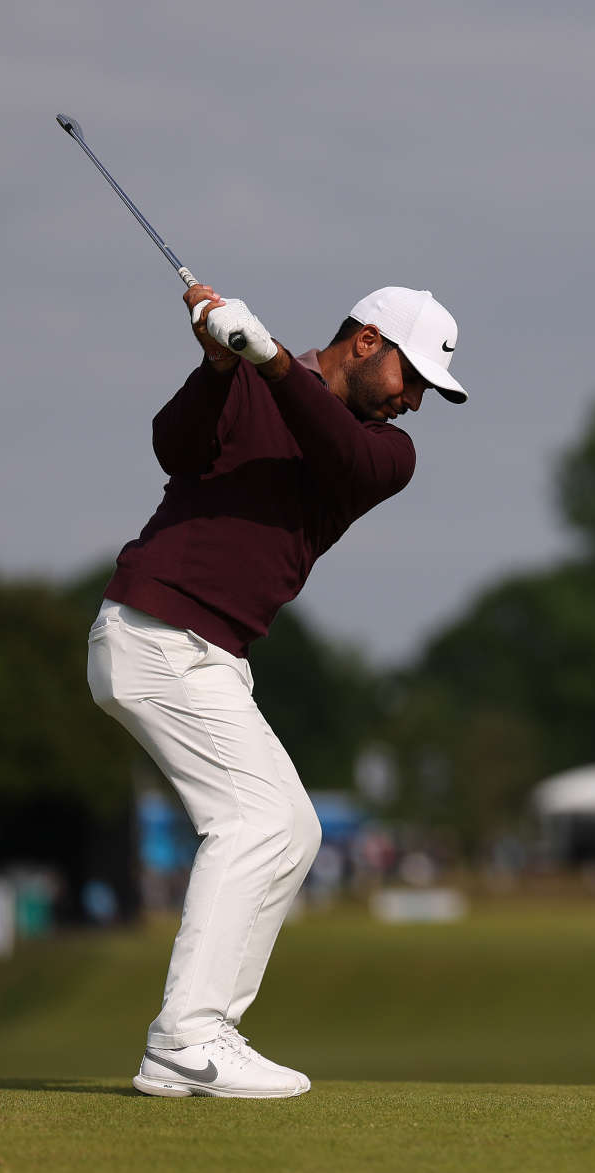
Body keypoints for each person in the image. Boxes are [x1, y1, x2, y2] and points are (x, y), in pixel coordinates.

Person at [87, 283, 467, 1098]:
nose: (413, 403)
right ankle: (186, 1036)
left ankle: (207, 1035)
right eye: (411, 379)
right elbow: (174, 448)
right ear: (367, 341)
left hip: (208, 653)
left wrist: (266, 360)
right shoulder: (250, 381)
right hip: (158, 633)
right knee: (254, 822)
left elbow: (339, 452)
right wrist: (216, 366)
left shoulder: (386, 454)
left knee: (291, 829)